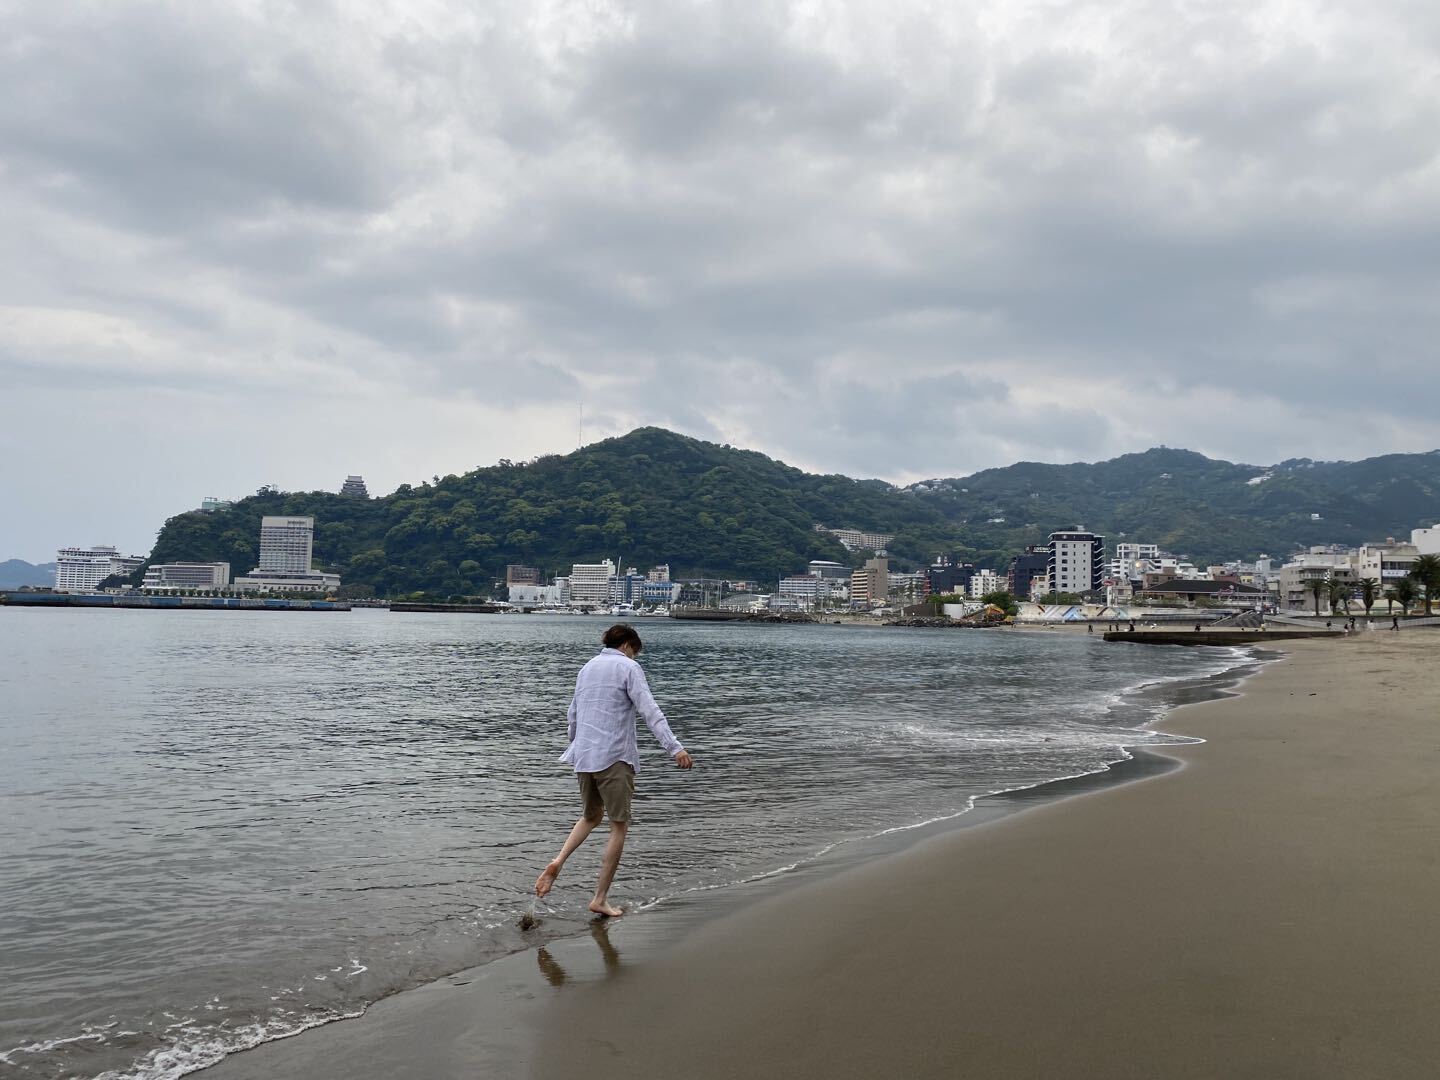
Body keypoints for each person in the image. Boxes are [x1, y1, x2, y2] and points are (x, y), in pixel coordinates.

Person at [535, 624, 693, 917]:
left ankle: (559, 860)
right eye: (635, 652)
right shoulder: (628, 667)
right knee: (618, 825)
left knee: (590, 816)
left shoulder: (587, 668)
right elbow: (650, 710)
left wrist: (578, 745)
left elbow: (573, 714)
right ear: (627, 646)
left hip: (584, 756)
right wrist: (675, 748)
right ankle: (600, 898)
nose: (634, 657)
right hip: (614, 756)